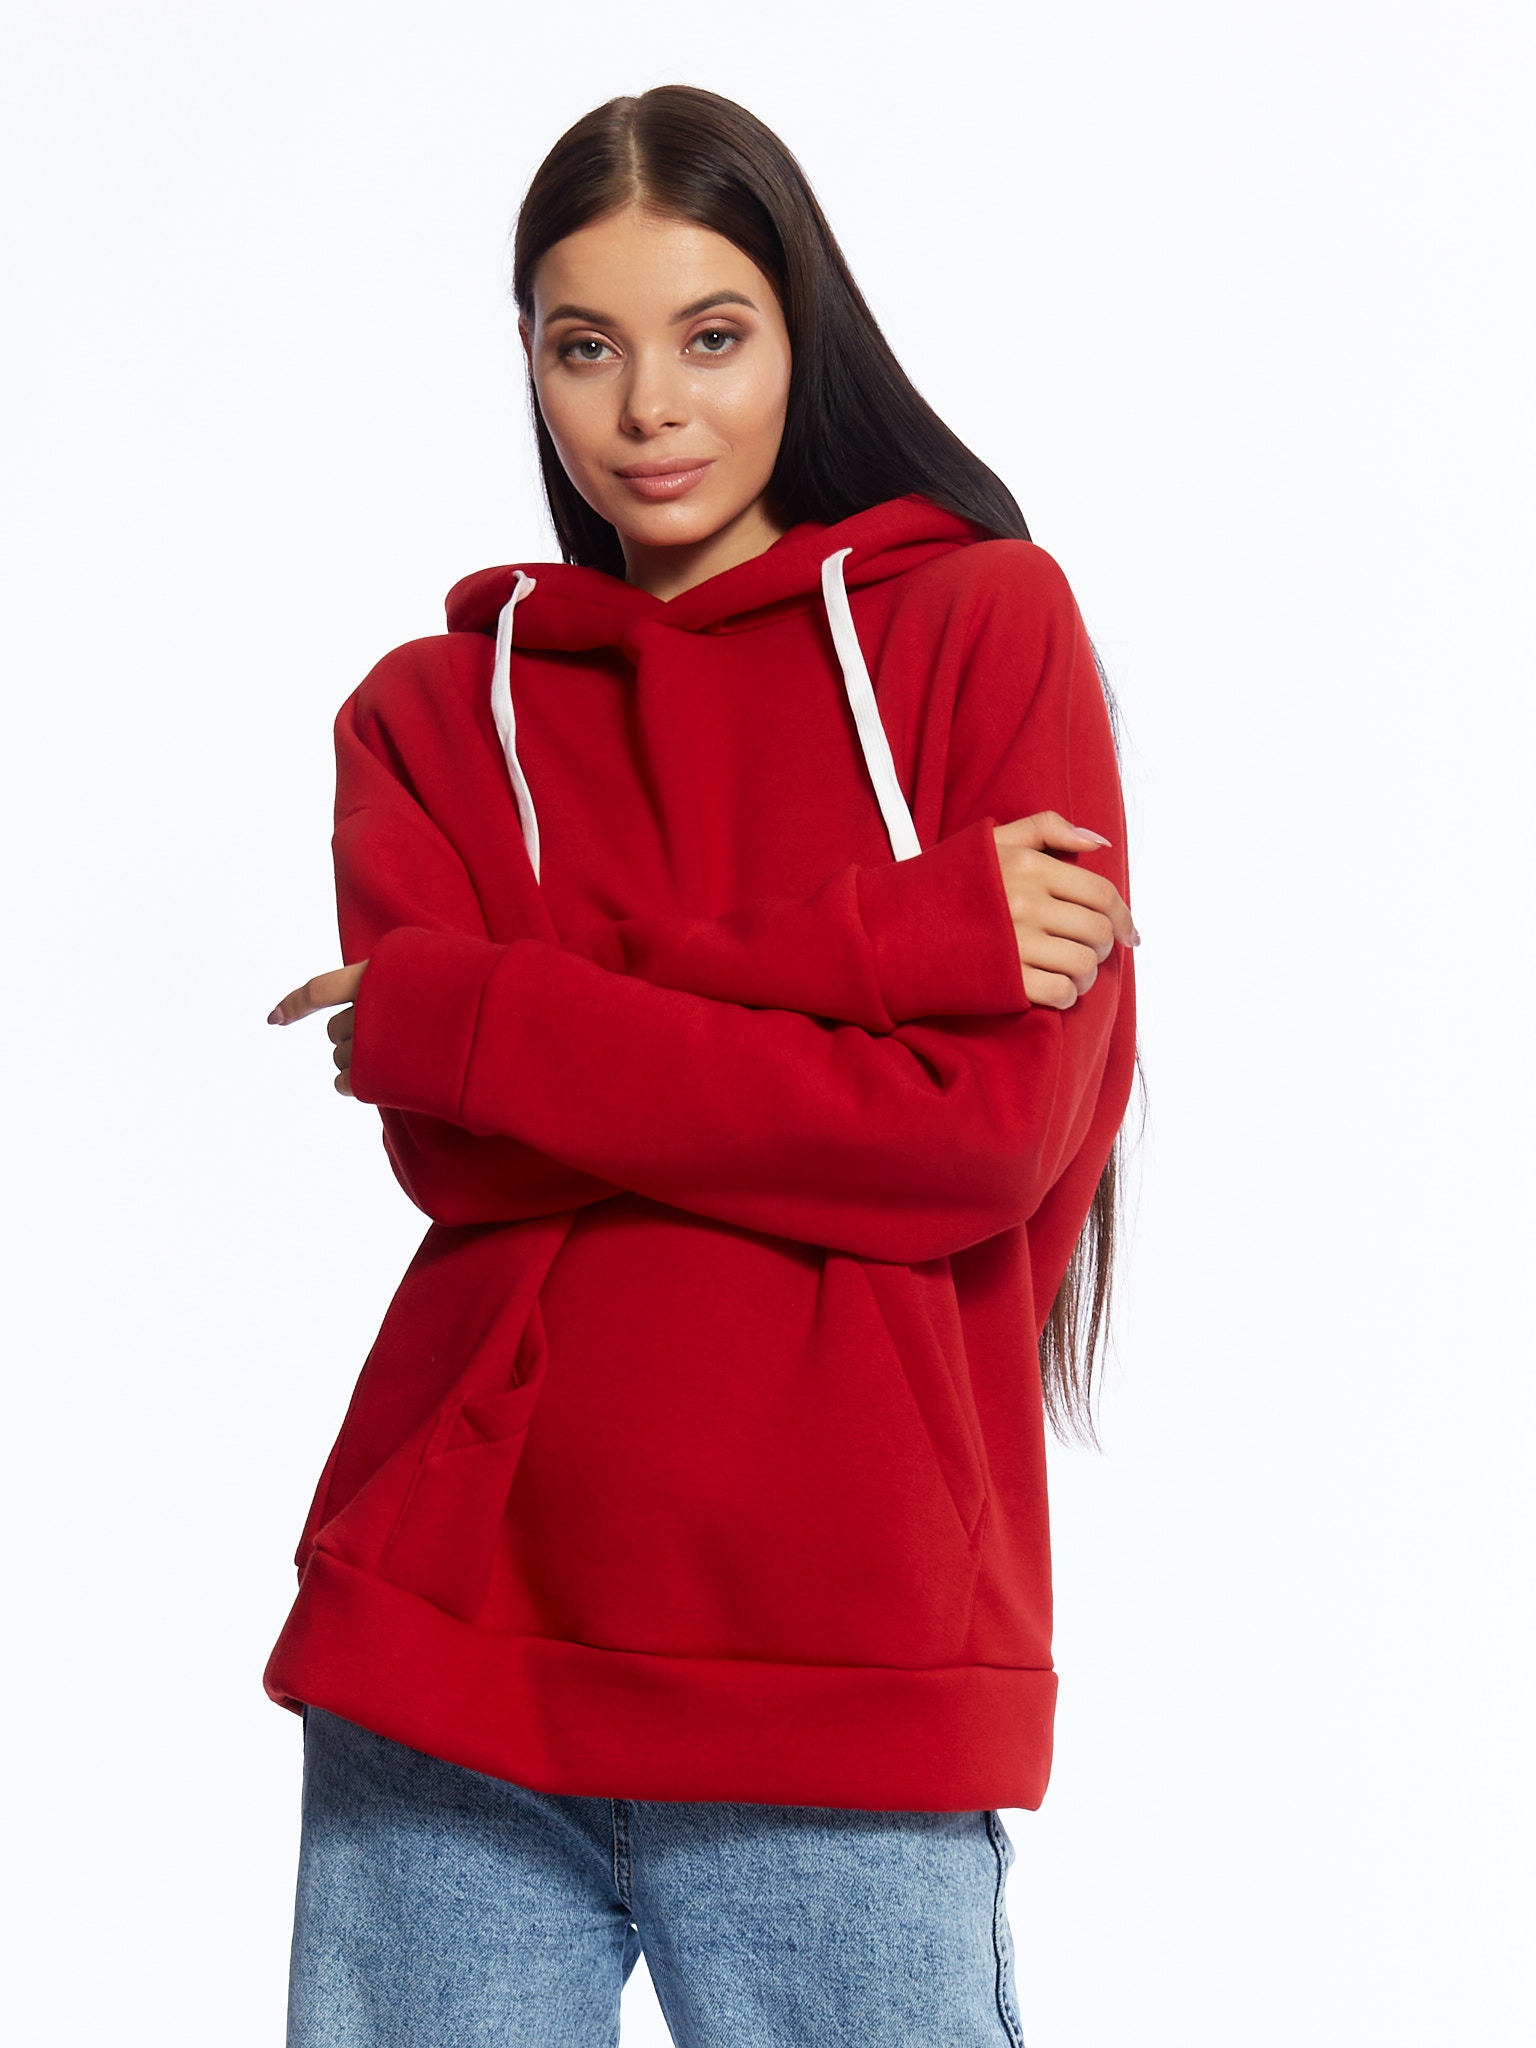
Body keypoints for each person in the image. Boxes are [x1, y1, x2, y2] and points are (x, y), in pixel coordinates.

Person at [265, 83, 1138, 2048]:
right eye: (588, 346)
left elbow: (979, 1140)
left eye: (712, 335)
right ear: (530, 361)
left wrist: (492, 1007)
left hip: (845, 1663)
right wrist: (890, 944)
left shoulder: (982, 628)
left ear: (801, 333)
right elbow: (456, 1148)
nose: (651, 408)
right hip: (445, 1652)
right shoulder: (430, 715)